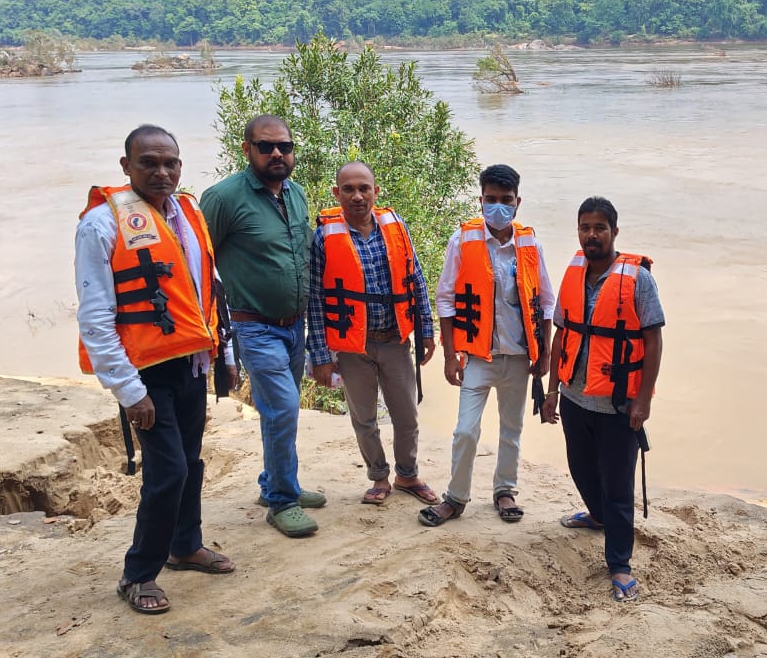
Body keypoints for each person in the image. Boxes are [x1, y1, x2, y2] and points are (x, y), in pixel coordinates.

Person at [76, 125, 237, 615]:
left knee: (190, 462)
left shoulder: (188, 214)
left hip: (192, 362)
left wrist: (224, 357)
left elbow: (210, 289)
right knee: (168, 472)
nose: (161, 172)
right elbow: (96, 318)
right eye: (148, 162)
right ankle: (138, 574)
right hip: (145, 371)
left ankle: (185, 546)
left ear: (180, 166)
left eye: (170, 163)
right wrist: (128, 390)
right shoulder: (101, 225)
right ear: (126, 166)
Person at [200, 114, 324, 539]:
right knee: (283, 408)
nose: (276, 154)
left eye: (284, 147)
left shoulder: (296, 193)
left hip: (294, 326)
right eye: (266, 146)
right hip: (253, 326)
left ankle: (276, 481)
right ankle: (282, 501)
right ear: (246, 149)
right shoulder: (223, 198)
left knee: (281, 409)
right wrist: (215, 336)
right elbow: (199, 261)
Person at [541, 196, 664, 603]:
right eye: (585, 227)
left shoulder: (638, 279)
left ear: (614, 231)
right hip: (575, 398)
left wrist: (643, 400)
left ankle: (620, 564)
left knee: (617, 487)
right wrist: (553, 391)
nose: (591, 235)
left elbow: (653, 340)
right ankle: (596, 516)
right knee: (580, 469)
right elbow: (562, 333)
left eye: (599, 228)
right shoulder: (574, 271)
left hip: (618, 405)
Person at [419, 164, 555, 527]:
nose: (498, 207)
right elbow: (445, 299)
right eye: (491, 199)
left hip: (519, 357)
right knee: (465, 430)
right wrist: (450, 355)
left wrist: (545, 354)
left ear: (517, 202)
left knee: (512, 429)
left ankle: (505, 490)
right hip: (477, 357)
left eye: (506, 200)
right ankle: (455, 497)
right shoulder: (462, 241)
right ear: (480, 200)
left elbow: (546, 302)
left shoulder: (530, 244)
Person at [308, 161, 439, 506]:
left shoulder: (395, 227)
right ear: (337, 194)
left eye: (364, 188)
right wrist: (320, 356)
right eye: (348, 189)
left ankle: (407, 475)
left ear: (375, 192)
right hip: (353, 346)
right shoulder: (323, 238)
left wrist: (426, 329)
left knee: (407, 416)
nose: (357, 196)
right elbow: (316, 300)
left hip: (395, 340)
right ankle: (379, 477)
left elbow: (416, 278)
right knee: (364, 419)